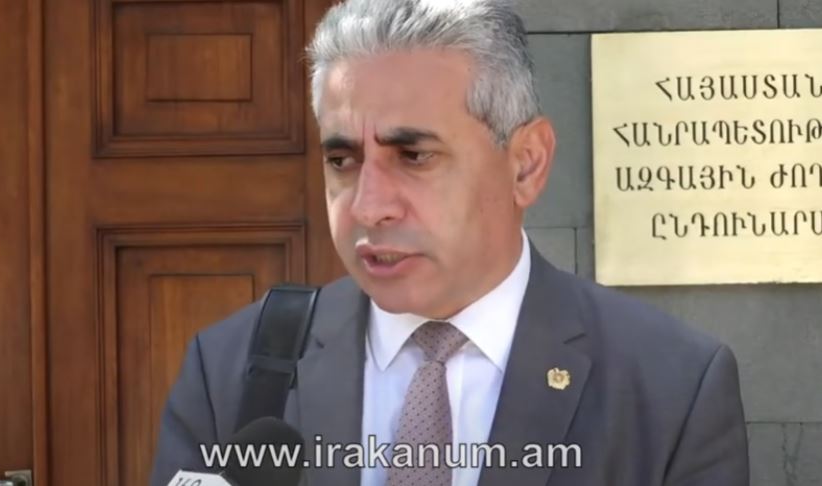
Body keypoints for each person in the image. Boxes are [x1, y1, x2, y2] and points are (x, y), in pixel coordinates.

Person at [150, 1, 750, 485]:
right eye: (342, 160)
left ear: (526, 164)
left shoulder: (671, 388)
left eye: (414, 156)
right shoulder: (228, 368)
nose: (368, 206)